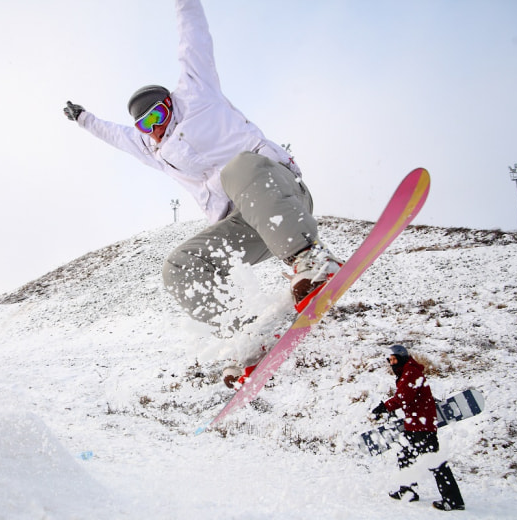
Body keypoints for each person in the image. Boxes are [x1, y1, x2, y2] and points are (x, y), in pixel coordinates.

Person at [63, 0, 341, 372]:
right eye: (146, 125)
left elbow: (192, 34)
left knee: (236, 168)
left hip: (276, 193)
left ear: (169, 103)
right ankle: (247, 334)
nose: (156, 127)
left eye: (159, 114)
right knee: (178, 266)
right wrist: (83, 119)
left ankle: (311, 259)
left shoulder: (197, 91)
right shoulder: (153, 148)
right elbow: (115, 134)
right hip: (245, 226)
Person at [371, 345, 465, 512]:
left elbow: (403, 397)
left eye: (394, 359)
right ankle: (407, 491)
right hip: (414, 424)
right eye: (390, 360)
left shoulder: (411, 372)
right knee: (405, 454)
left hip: (422, 426)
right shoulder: (407, 372)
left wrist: (385, 407)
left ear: (402, 358)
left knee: (435, 461)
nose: (392, 363)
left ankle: (453, 500)